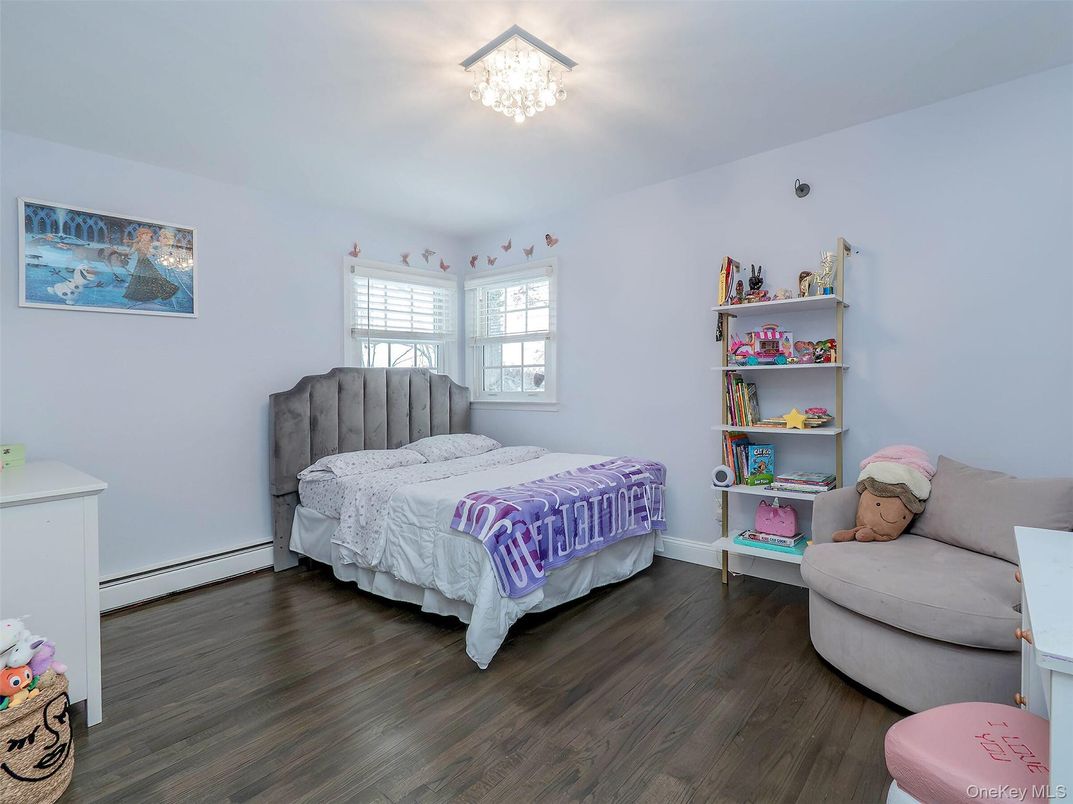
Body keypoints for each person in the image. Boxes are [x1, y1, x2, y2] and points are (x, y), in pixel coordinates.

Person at [123, 227, 178, 304]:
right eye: (146, 235)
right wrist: (119, 251)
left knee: (154, 278)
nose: (149, 237)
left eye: (149, 236)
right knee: (140, 279)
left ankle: (154, 295)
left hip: (147, 262)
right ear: (141, 236)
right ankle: (141, 296)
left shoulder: (151, 244)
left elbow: (155, 251)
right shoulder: (137, 244)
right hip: (141, 263)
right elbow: (130, 252)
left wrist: (157, 250)